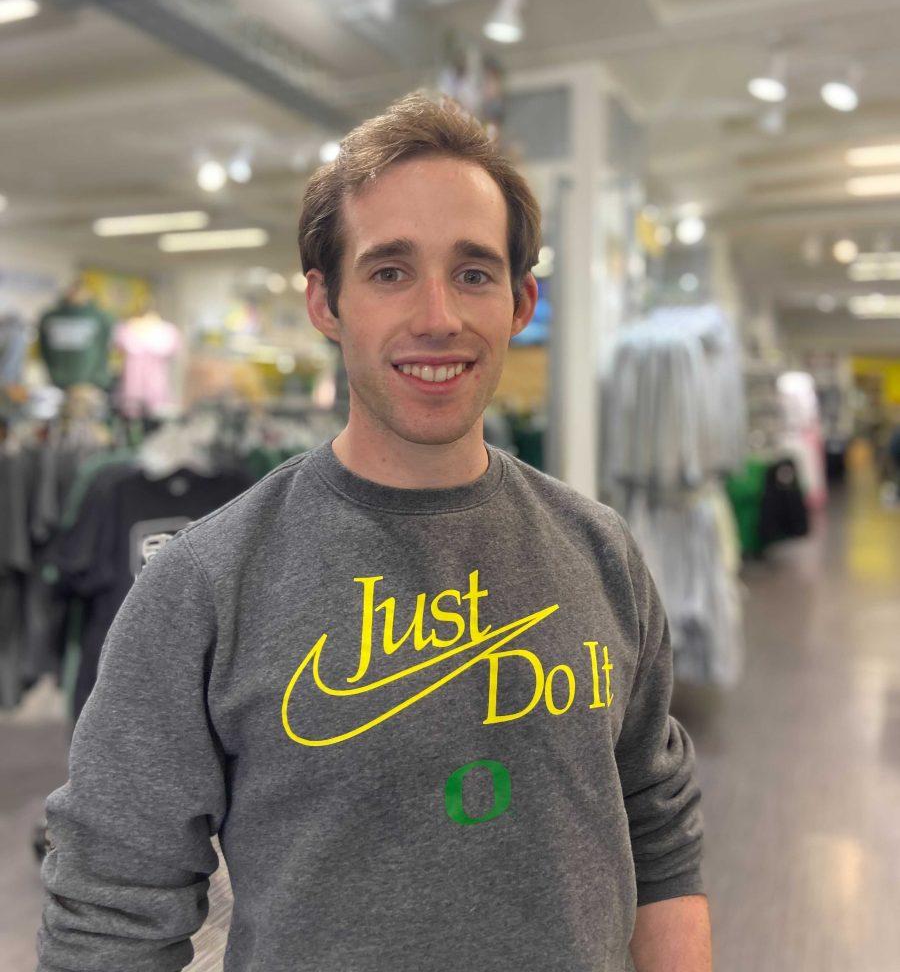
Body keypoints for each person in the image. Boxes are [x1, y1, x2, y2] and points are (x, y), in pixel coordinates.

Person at [36, 92, 712, 972]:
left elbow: (658, 827)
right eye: (390, 271)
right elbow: (110, 917)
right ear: (326, 302)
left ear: (519, 301)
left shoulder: (602, 554)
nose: (439, 315)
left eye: (473, 272)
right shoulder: (204, 585)